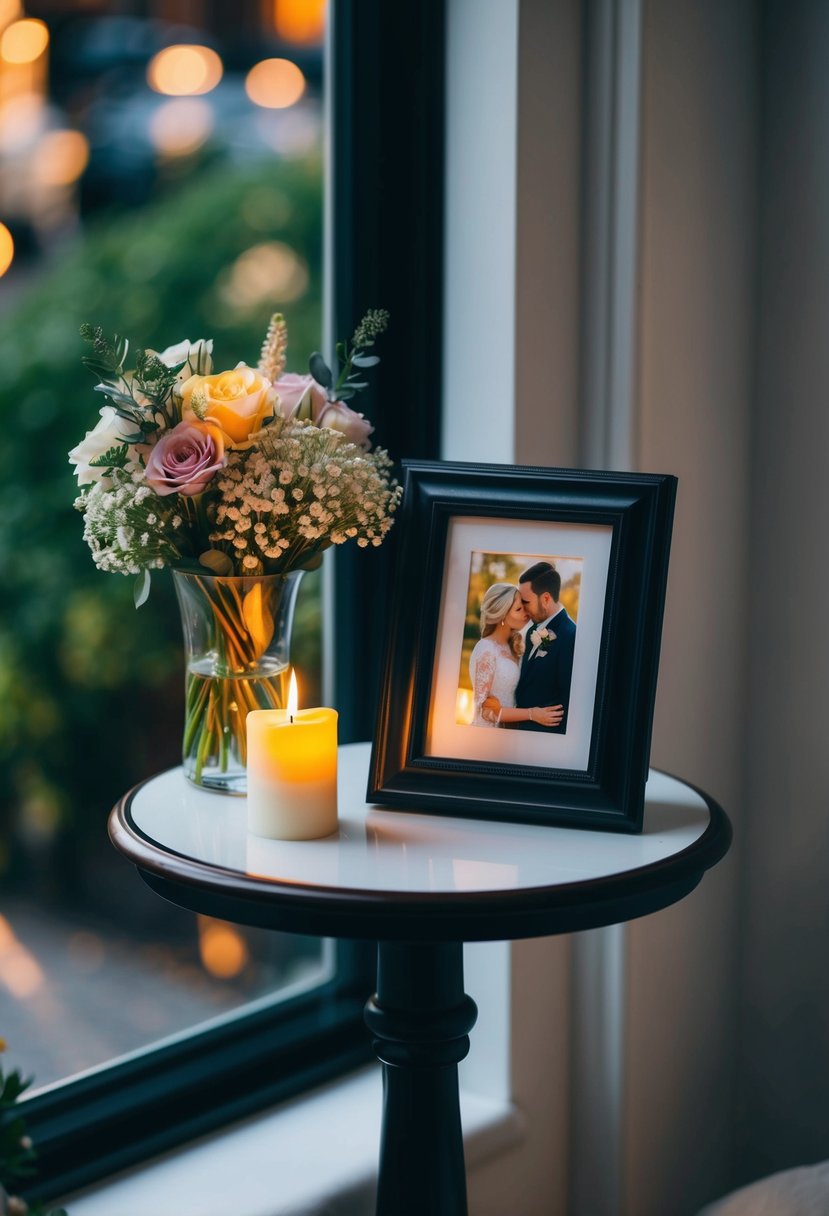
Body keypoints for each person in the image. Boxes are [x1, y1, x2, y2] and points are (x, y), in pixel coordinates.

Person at [468, 583, 563, 729]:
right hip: (487, 735)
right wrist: (532, 714)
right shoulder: (486, 649)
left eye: (524, 606)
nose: (526, 612)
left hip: (511, 733)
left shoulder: (516, 645)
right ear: (502, 615)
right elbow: (484, 711)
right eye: (518, 609)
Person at [511, 560, 576, 733]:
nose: (523, 608)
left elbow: (567, 701)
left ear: (546, 599)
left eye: (526, 602)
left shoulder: (571, 636)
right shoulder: (533, 628)